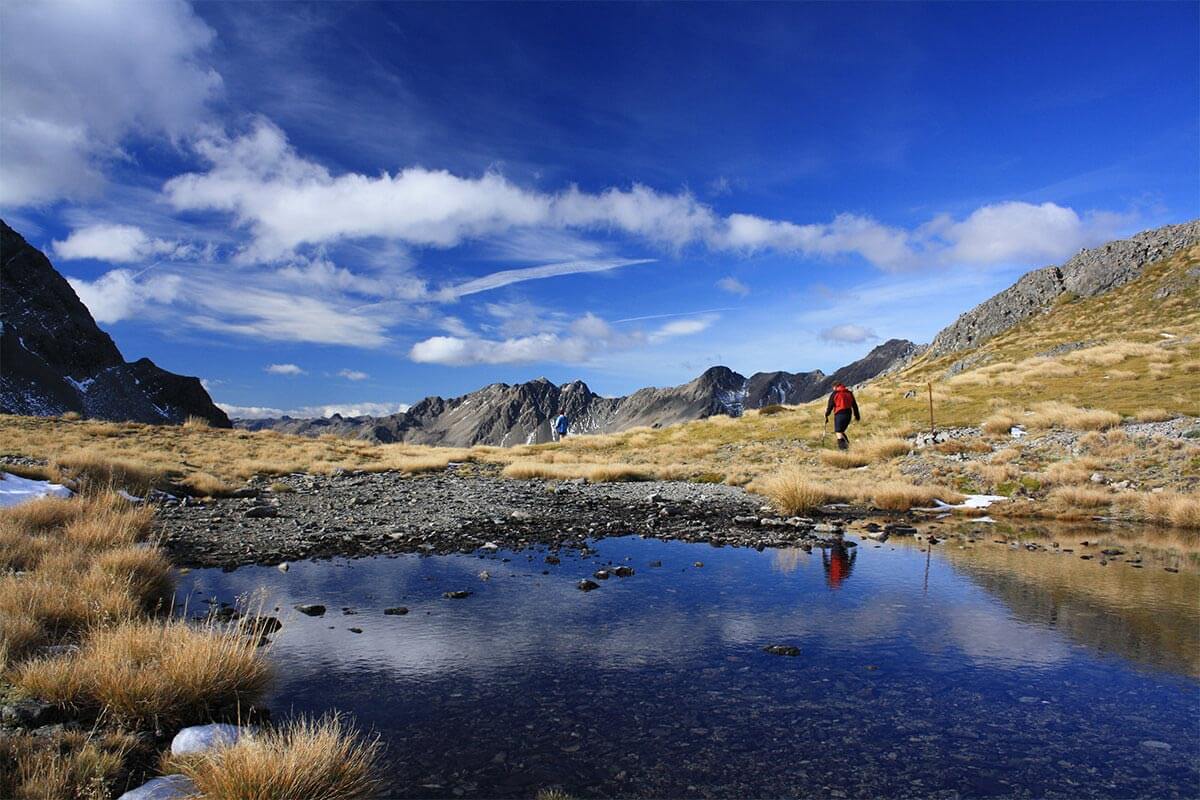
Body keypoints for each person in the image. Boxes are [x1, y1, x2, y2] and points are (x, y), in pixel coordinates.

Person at [824, 381, 860, 450]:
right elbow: (854, 405)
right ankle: (848, 446)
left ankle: (843, 449)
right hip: (848, 414)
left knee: (838, 432)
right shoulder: (849, 393)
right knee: (842, 431)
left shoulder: (835, 394)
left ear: (835, 387)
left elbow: (830, 405)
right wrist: (857, 415)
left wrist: (826, 415)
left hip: (839, 414)